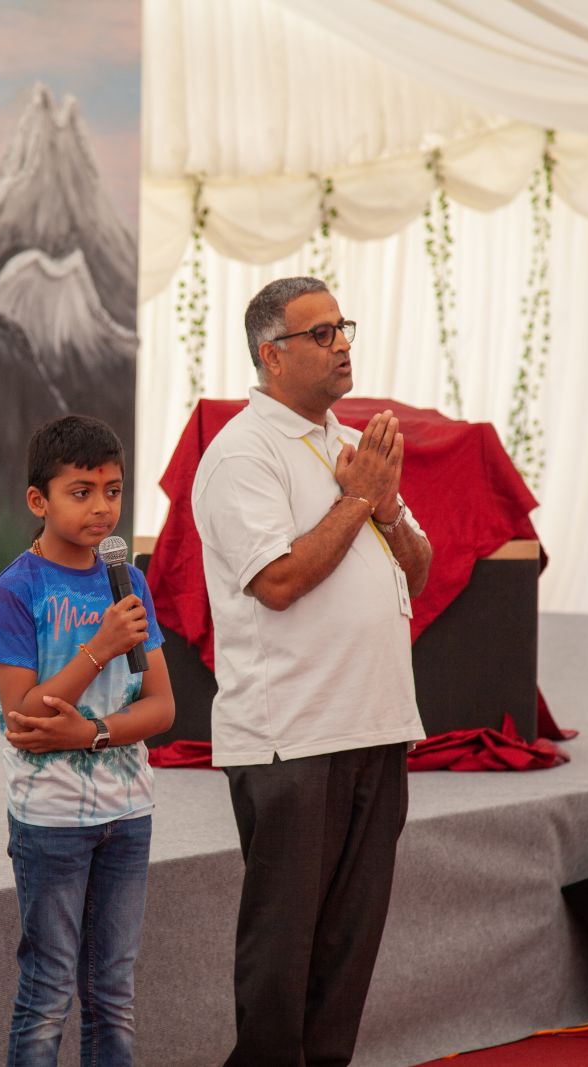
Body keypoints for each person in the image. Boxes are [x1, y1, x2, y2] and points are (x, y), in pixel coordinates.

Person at [190, 276, 433, 1067]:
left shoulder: (346, 446)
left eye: (342, 328)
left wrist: (387, 507)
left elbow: (420, 573)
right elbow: (280, 582)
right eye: (321, 334)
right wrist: (360, 502)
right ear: (272, 354)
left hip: (375, 724)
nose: (342, 345)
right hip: (290, 739)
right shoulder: (241, 456)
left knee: (348, 950)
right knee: (281, 959)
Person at [0, 414, 176, 1067]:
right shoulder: (17, 589)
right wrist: (99, 647)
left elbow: (163, 705)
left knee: (113, 993)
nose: (102, 507)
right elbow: (25, 719)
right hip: (52, 818)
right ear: (39, 500)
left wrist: (91, 731)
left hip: (129, 811)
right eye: (82, 491)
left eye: (113, 490)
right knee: (48, 993)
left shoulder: (129, 581)